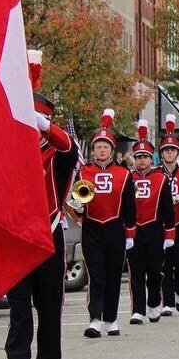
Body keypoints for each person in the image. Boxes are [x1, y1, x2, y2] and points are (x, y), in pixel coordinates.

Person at [5, 53, 81, 359]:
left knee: (50, 310)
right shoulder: (12, 154)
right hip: (19, 238)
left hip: (50, 236)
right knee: (19, 309)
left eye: (37, 122)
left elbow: (70, 146)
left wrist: (44, 125)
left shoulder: (58, 154)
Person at [75, 110, 137, 338]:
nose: (101, 150)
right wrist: (77, 208)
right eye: (98, 147)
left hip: (116, 228)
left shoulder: (124, 174)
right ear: (93, 150)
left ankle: (111, 318)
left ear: (112, 150)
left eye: (105, 146)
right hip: (92, 228)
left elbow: (131, 205)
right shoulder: (83, 172)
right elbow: (73, 200)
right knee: (96, 274)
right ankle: (95, 319)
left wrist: (130, 233)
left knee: (112, 275)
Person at [127, 121, 175, 326]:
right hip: (134, 230)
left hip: (155, 229)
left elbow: (167, 208)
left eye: (145, 157)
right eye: (138, 158)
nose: (142, 161)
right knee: (136, 272)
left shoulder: (161, 179)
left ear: (151, 158)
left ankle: (154, 303)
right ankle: (138, 309)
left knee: (155, 271)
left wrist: (169, 233)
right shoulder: (127, 178)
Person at [158, 116, 179, 315]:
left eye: (172, 150)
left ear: (178, 153)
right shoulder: (156, 174)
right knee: (164, 264)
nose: (169, 152)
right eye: (166, 150)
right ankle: (168, 303)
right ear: (162, 153)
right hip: (161, 225)